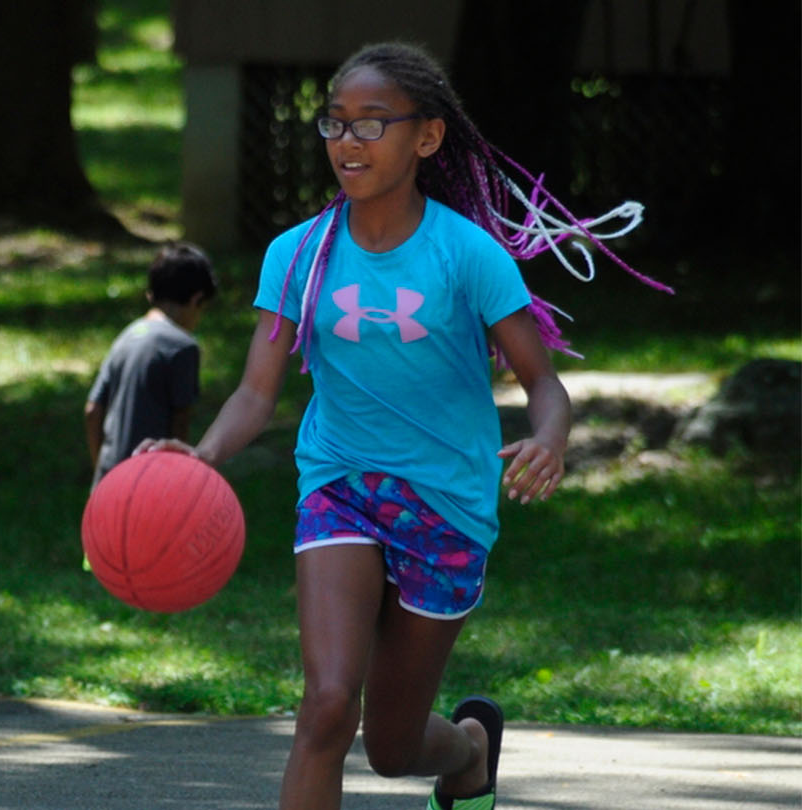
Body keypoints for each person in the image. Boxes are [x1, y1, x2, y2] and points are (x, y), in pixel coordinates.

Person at [137, 43, 665, 810]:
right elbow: (257, 393)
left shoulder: (467, 254)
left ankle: (471, 750)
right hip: (340, 486)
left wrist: (549, 439)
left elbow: (543, 384)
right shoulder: (300, 255)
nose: (347, 141)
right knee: (324, 708)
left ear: (427, 137)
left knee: (391, 748)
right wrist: (203, 456)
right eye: (335, 123)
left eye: (371, 124)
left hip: (446, 502)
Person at [85, 242, 218, 488]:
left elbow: (93, 410)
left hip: (108, 483)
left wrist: (102, 470)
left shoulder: (126, 336)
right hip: (151, 484)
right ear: (196, 300)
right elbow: (180, 422)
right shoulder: (182, 346)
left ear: (151, 295)